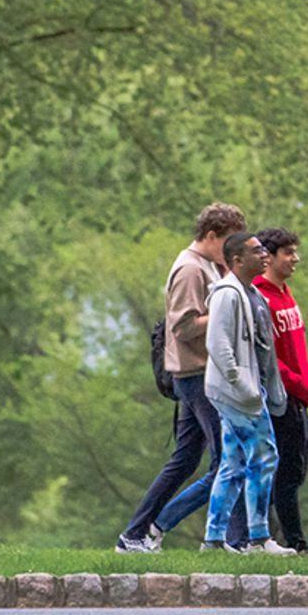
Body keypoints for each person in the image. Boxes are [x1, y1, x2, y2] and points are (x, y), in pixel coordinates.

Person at [117, 203, 240, 553]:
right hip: (197, 374)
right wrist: (225, 309)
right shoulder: (189, 269)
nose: (232, 252)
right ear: (211, 235)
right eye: (228, 242)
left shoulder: (210, 266)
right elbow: (184, 326)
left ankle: (135, 534)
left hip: (202, 371)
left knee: (185, 460)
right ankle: (163, 527)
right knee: (227, 461)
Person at [201, 231, 295, 555]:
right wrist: (243, 386)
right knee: (265, 455)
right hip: (238, 394)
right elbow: (217, 343)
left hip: (246, 392)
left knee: (234, 462)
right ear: (238, 259)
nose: (264, 255)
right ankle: (258, 538)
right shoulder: (228, 294)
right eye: (257, 251)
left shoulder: (250, 292)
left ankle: (214, 539)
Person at [253, 227, 308, 550]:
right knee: (284, 475)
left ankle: (279, 540)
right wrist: (294, 384)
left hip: (299, 397)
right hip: (281, 399)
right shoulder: (260, 296)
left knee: (295, 470)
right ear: (268, 257)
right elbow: (266, 356)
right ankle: (292, 543)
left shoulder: (285, 293)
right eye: (288, 253)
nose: (296, 259)